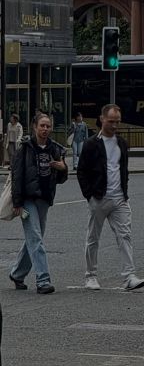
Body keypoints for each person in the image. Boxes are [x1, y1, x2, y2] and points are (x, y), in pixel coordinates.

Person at [76, 105, 144, 291]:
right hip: (98, 198)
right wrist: (89, 196)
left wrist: (124, 191)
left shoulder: (122, 143)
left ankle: (129, 276)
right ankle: (90, 276)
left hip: (119, 199)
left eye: (117, 121)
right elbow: (81, 171)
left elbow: (123, 169)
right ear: (102, 119)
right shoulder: (91, 143)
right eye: (111, 121)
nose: (114, 125)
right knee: (93, 238)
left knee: (125, 236)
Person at [9, 113, 67, 293]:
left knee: (35, 239)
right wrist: (17, 202)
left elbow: (61, 178)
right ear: (34, 127)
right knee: (35, 237)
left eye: (48, 126)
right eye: (42, 125)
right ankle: (43, 280)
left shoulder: (55, 149)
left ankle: (17, 274)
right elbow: (17, 176)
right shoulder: (25, 148)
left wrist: (62, 168)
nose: (45, 129)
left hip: (44, 199)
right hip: (27, 199)